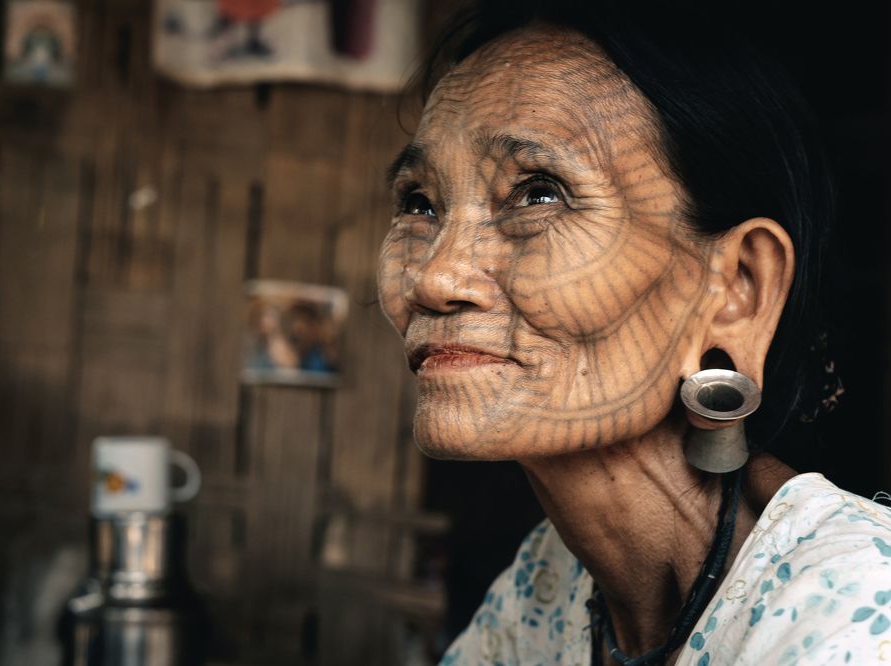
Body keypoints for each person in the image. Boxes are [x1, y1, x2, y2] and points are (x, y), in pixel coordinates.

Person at [376, 3, 891, 665]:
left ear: (736, 290)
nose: (434, 276)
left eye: (539, 193)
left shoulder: (856, 619)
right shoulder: (547, 586)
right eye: (418, 201)